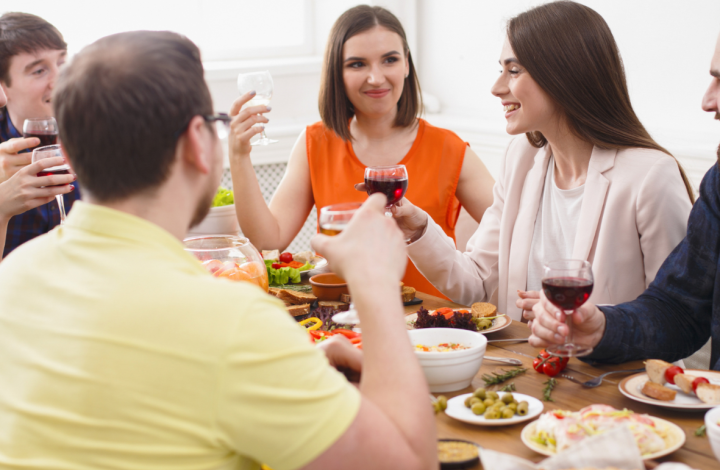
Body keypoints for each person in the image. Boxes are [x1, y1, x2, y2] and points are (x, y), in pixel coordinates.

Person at [0, 31, 438, 470]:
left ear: (69, 152)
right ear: (198, 141)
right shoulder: (232, 323)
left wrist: (284, 372)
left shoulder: (11, 277)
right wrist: (377, 286)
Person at [392, 0, 693, 322]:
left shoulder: (651, 176)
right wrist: (419, 229)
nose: (496, 88)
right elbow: (476, 282)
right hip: (526, 367)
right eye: (501, 70)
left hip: (612, 372)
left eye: (514, 70)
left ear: (563, 74)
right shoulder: (522, 158)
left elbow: (679, 316)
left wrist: (588, 320)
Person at [228, 5, 495, 299]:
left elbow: (516, 231)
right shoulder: (314, 143)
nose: (376, 78)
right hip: (342, 322)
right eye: (357, 64)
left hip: (432, 329)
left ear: (406, 64)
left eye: (389, 60)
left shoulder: (450, 148)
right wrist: (239, 156)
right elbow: (269, 239)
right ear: (337, 73)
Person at [529, 30, 720, 372]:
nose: (707, 101)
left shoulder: (652, 173)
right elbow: (680, 310)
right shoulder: (719, 185)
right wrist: (601, 328)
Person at [0, 12, 80, 257]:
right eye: (38, 71)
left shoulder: (97, 132)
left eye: (62, 63)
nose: (60, 80)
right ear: (4, 88)